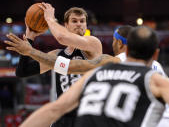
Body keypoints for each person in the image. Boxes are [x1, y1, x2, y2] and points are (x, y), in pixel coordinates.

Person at [6, 26, 169, 127]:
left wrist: (30, 51)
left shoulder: (100, 67)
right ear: (155, 54)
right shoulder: (156, 77)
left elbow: (55, 106)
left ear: (122, 46)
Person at [6, 5, 102, 127]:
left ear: (86, 25)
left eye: (82, 21)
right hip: (62, 117)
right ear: (66, 25)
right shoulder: (57, 55)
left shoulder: (93, 45)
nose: (79, 24)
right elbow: (22, 72)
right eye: (74, 21)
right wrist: (29, 38)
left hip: (86, 115)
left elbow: (62, 37)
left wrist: (50, 19)